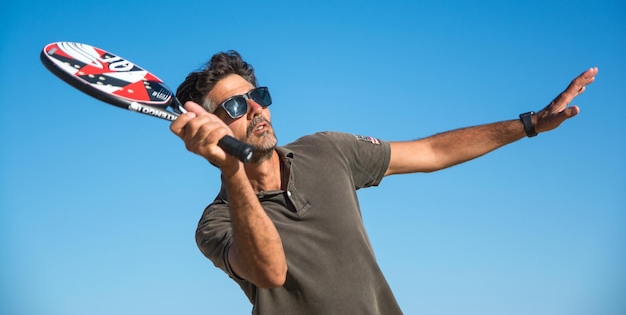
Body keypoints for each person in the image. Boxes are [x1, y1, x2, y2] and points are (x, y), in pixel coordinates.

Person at [170, 51, 597, 315]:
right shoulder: (215, 223)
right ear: (209, 125)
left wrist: (531, 123)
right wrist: (231, 169)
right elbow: (270, 271)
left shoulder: (327, 151)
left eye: (257, 96)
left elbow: (431, 152)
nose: (257, 111)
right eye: (235, 105)